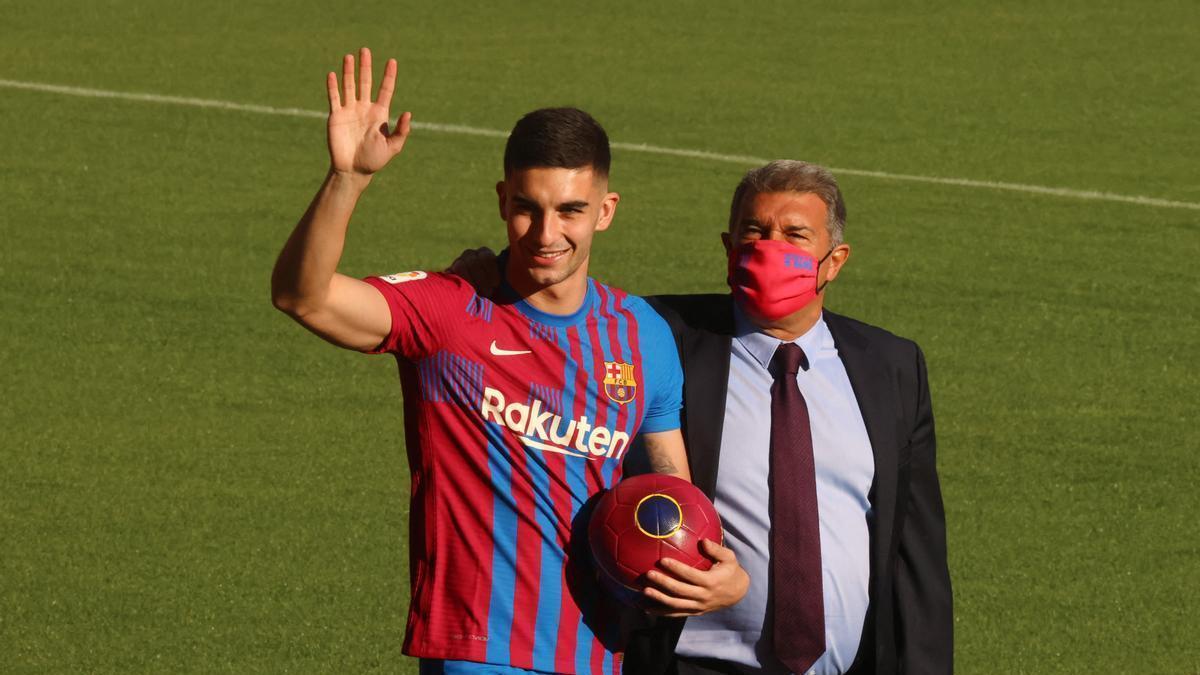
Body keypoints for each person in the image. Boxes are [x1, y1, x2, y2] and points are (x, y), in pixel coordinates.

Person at [269, 48, 742, 675]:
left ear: (605, 211)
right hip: (476, 650)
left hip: (595, 653)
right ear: (501, 200)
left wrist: (720, 575)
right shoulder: (449, 312)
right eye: (528, 207)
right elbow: (303, 296)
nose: (547, 233)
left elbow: (675, 501)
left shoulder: (643, 337)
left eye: (571, 210)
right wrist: (348, 180)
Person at [451, 160, 953, 674]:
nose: (769, 248)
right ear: (728, 248)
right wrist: (485, 280)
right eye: (753, 232)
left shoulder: (891, 366)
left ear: (835, 260)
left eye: (795, 235)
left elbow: (916, 557)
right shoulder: (654, 335)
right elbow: (556, 321)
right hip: (688, 661)